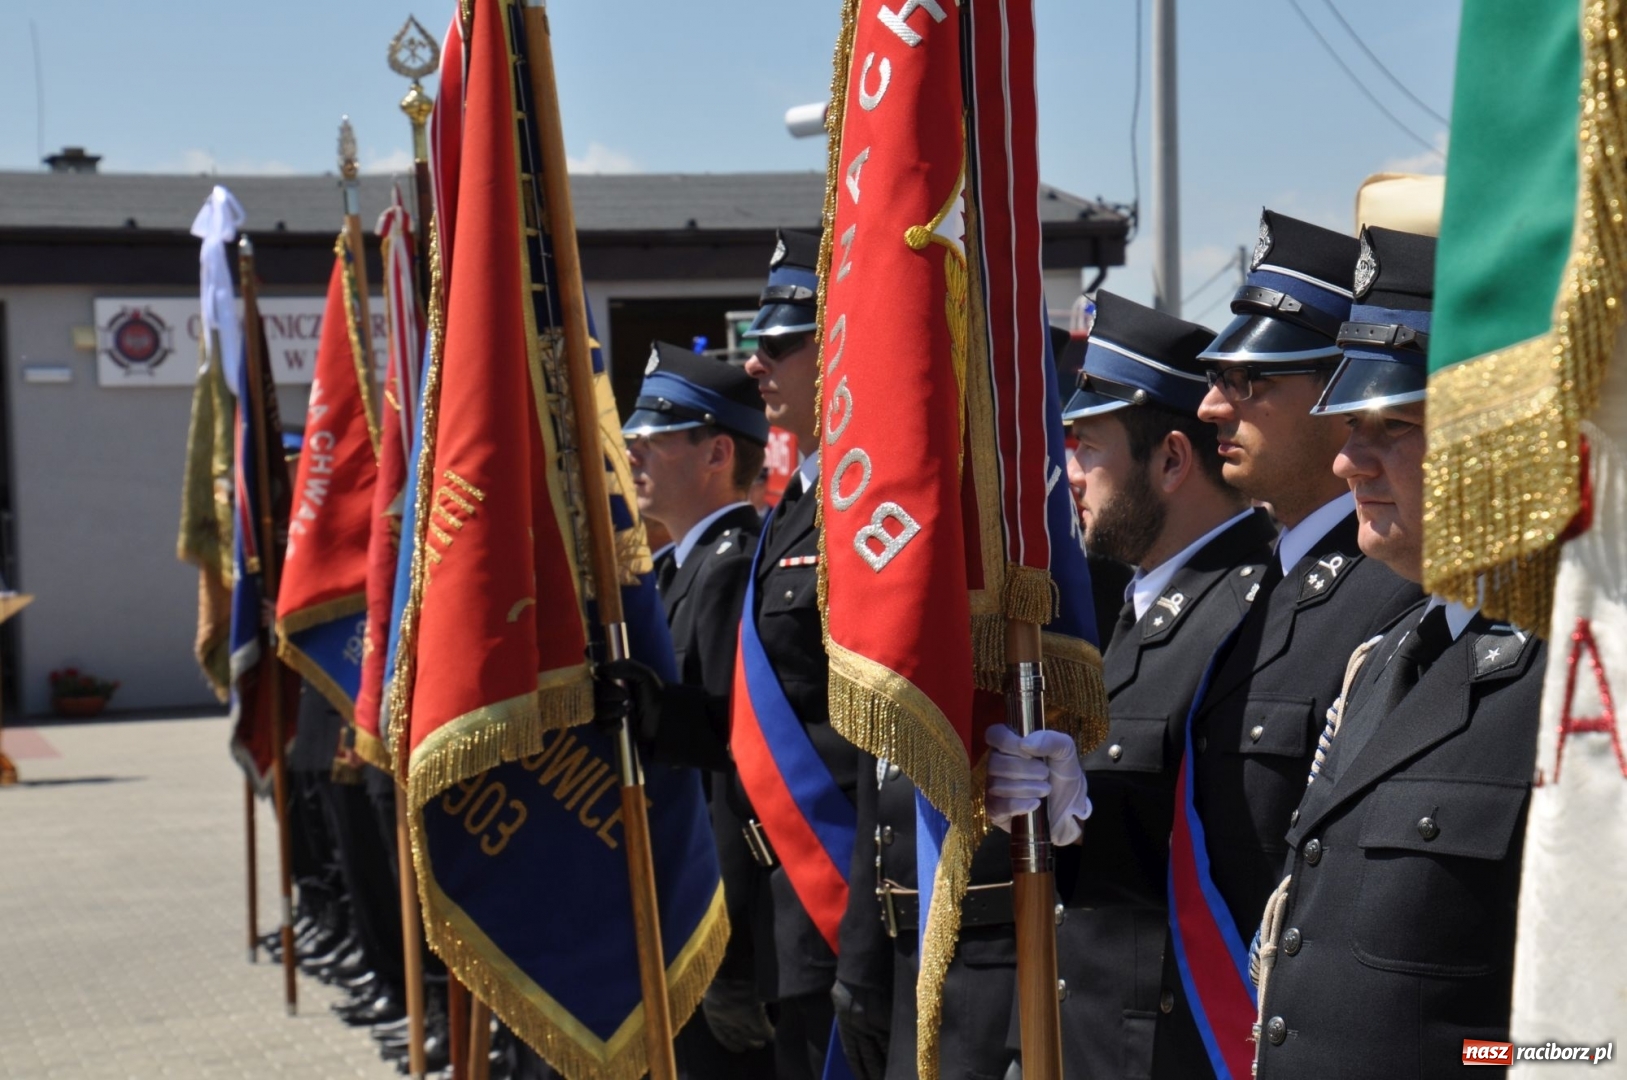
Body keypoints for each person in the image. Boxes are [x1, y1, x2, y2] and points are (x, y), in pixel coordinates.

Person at [1251, 225, 1542, 1078]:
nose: (1347, 461)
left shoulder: (1578, 680)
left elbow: (1600, 1043)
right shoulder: (1385, 657)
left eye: (1392, 427)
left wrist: (1473, 1065)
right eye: (1350, 427)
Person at [1047, 291, 1278, 1079]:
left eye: (1087, 447)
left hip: (1185, 1047)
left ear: (1173, 460)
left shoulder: (1252, 605)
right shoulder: (1139, 601)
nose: (1069, 473)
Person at [619, 340, 776, 1077]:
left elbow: (736, 768)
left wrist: (730, 952)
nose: (633, 456)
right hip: (679, 906)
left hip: (716, 919)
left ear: (717, 452)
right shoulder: (671, 571)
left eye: (652, 441)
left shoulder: (732, 566)